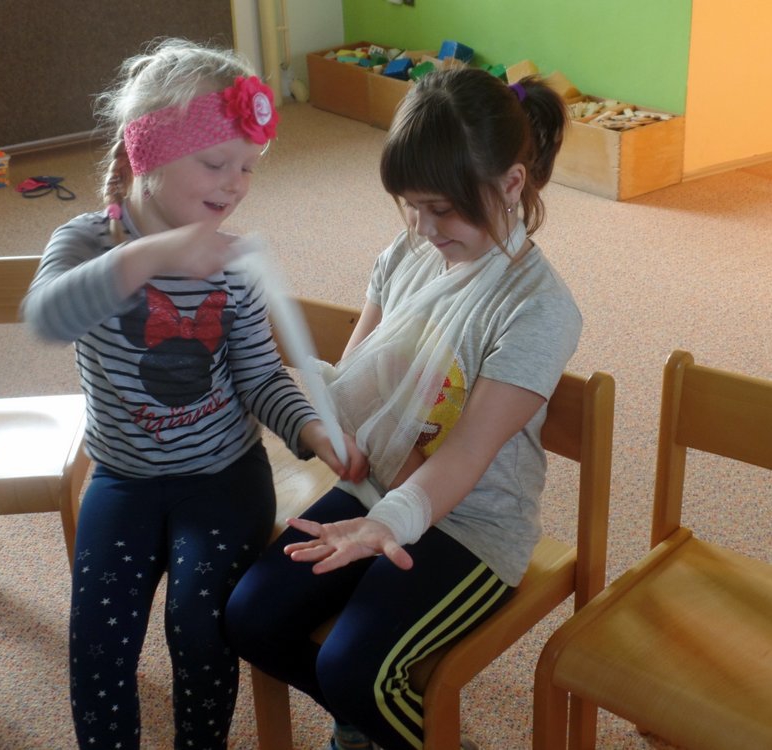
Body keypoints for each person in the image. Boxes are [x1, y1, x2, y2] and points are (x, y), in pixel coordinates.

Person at [20, 37, 366, 750]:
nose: (234, 184)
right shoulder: (85, 244)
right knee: (97, 643)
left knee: (200, 627)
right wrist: (153, 254)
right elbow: (47, 317)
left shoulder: (231, 266)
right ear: (146, 154)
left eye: (248, 167)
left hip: (223, 479)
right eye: (215, 163)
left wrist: (312, 432)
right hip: (123, 477)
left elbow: (261, 376)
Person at [225, 67, 582, 750]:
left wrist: (383, 524)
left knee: (354, 670)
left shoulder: (537, 310)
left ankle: (387, 726)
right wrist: (323, 424)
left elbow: (468, 454)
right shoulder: (409, 253)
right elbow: (358, 377)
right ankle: (371, 729)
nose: (423, 226)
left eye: (441, 208)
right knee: (249, 619)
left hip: (471, 528)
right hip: (377, 487)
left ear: (512, 184)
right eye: (411, 206)